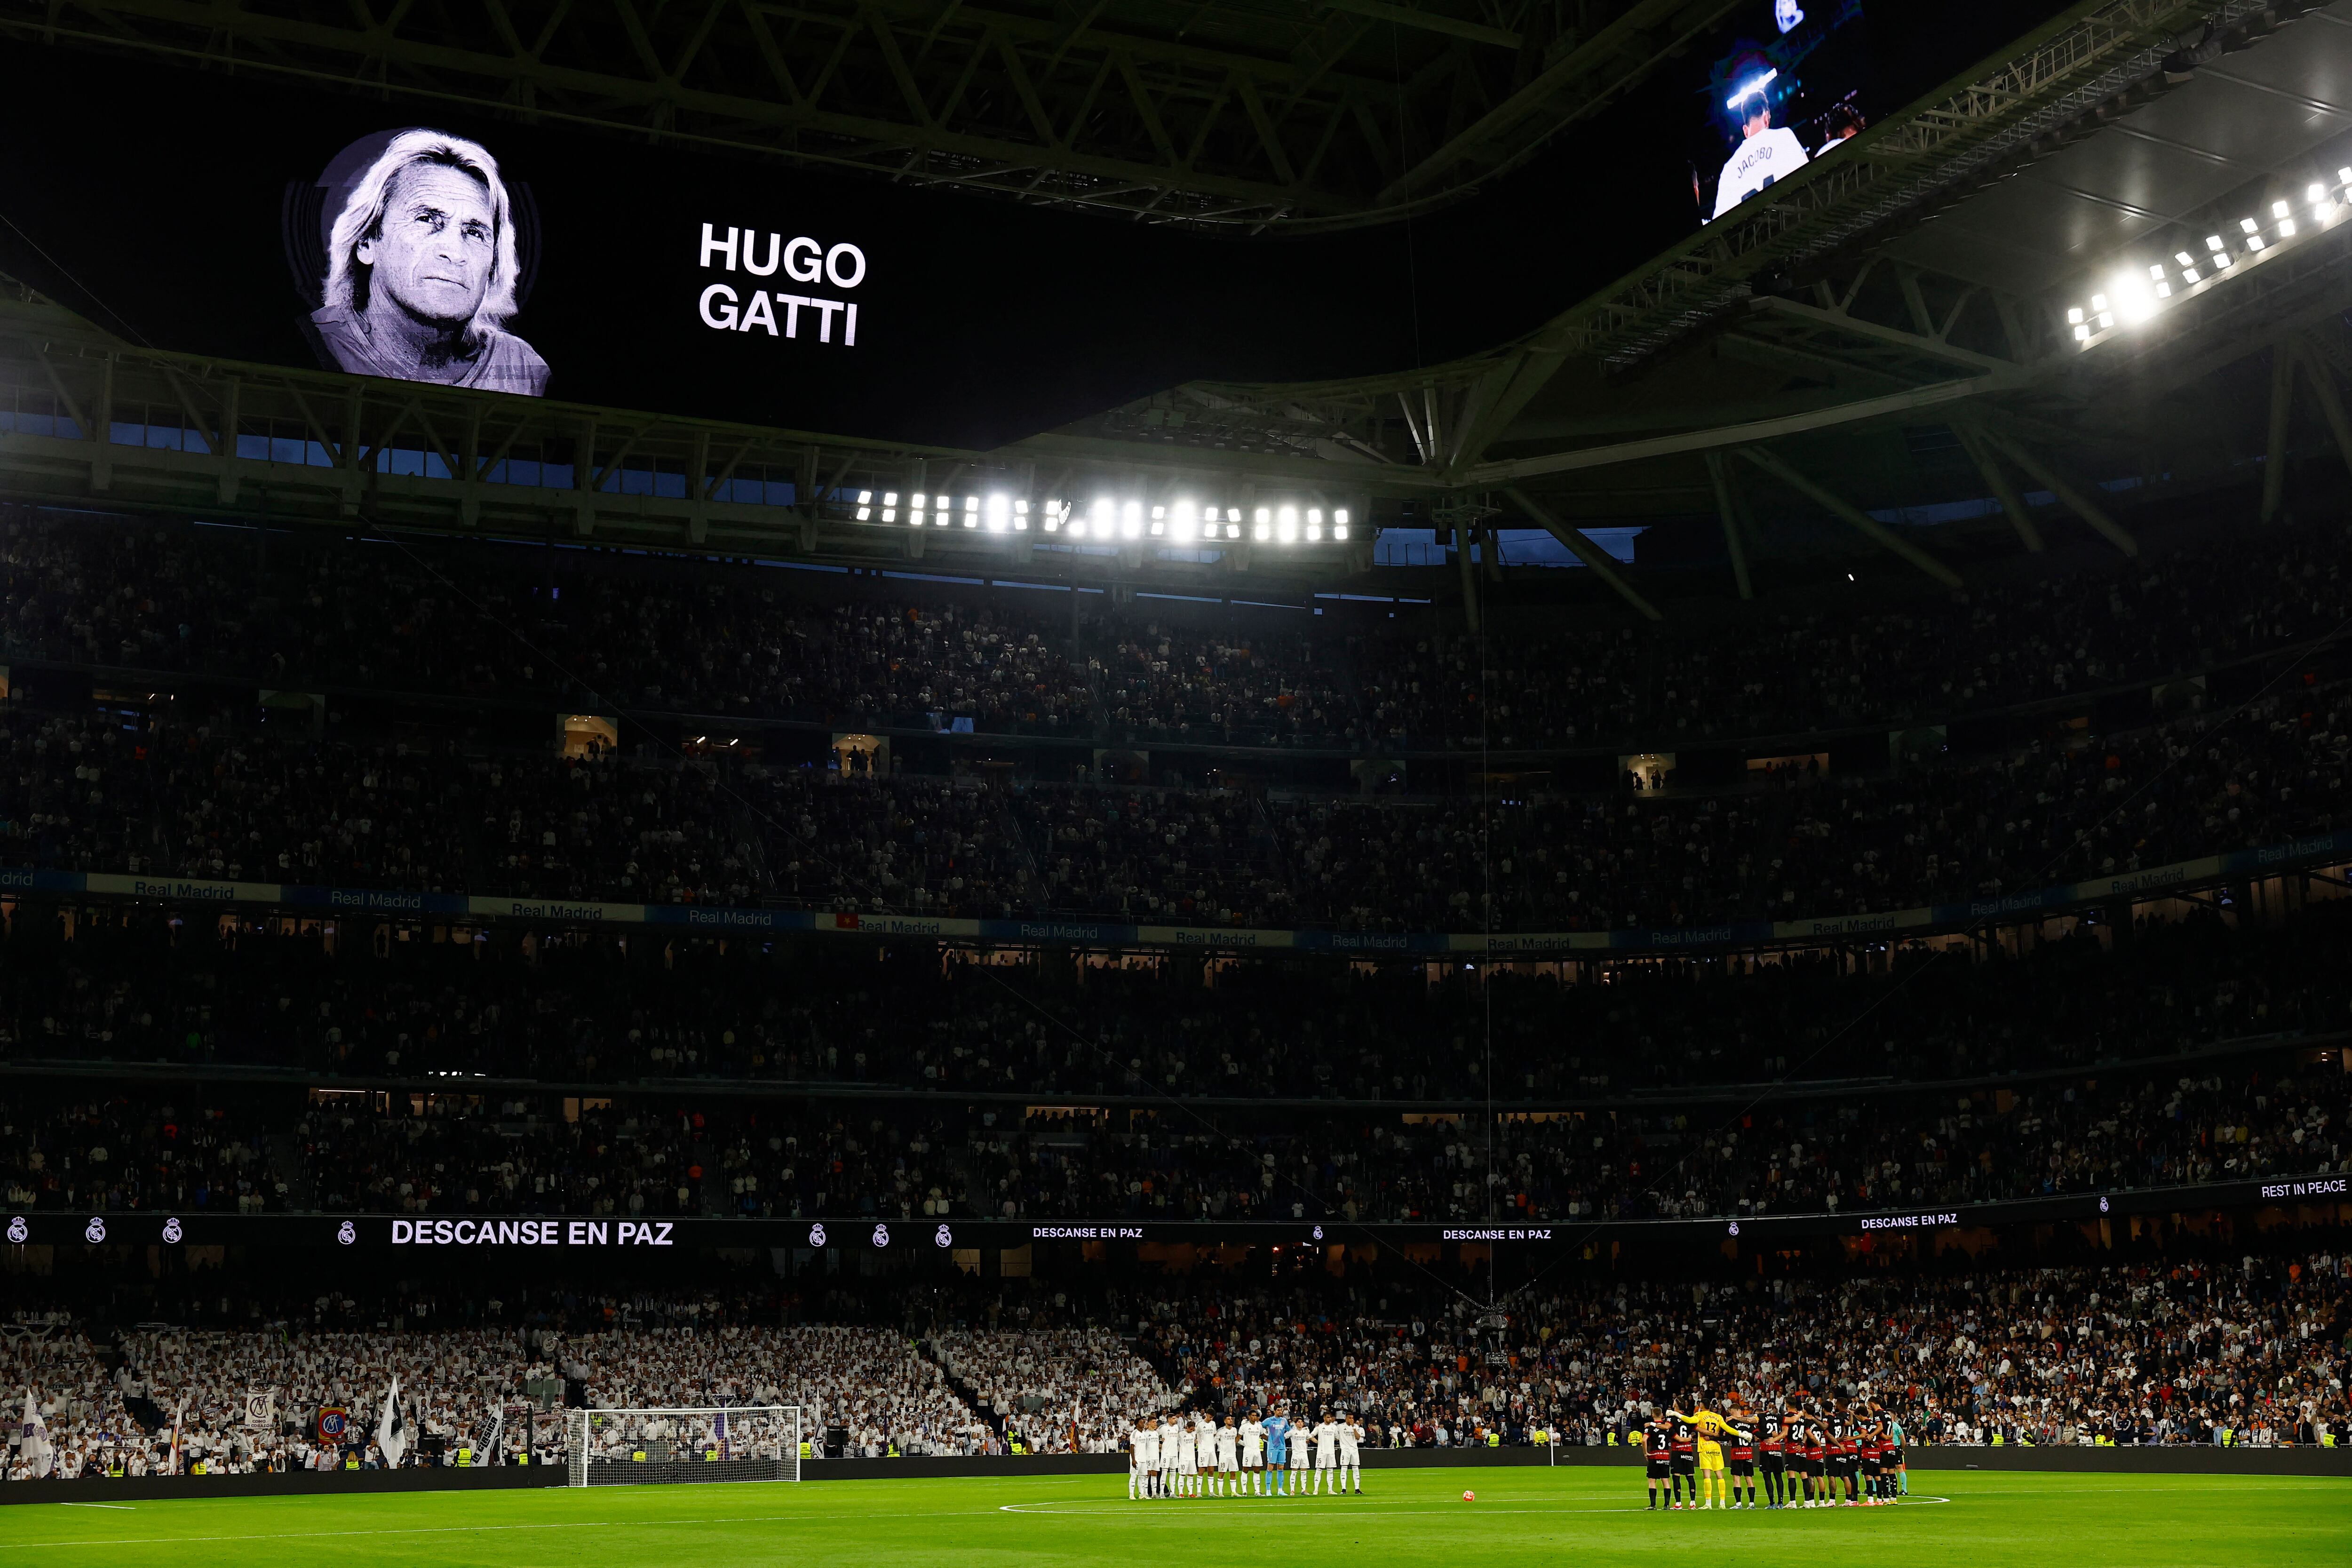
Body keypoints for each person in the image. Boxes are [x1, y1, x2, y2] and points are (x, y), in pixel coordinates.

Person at [310, 129, 550, 395]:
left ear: (493, 265)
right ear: (367, 242)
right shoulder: (316, 343)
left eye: (474, 232)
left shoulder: (522, 368)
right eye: (426, 220)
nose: (454, 252)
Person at [1709, 93, 1810, 220]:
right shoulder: (1784, 137)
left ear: (1745, 130)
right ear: (1767, 117)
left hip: (1753, 237)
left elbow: (1720, 224)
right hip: (1793, 225)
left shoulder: (1729, 169)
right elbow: (1810, 180)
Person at [1756, 1401, 1788, 1509]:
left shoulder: (1760, 1418)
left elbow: (1758, 1434)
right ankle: (1781, 1503)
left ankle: (1772, 1503)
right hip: (1777, 1449)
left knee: (1767, 1476)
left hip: (1766, 1449)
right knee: (1779, 1477)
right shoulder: (1778, 1417)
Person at [1644, 1414, 1673, 1511]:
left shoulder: (1650, 1427)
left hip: (1655, 1456)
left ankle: (1653, 1505)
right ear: (1662, 1416)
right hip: (1665, 1456)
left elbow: (1644, 1440)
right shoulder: (1667, 1427)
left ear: (1652, 1415)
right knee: (1666, 1481)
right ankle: (1667, 1505)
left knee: (1652, 1481)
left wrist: (1646, 1453)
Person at [1263, 1405, 1290, 1496]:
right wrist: (1265, 1437)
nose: (1280, 1412)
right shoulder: (1269, 1420)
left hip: (1282, 1447)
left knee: (1281, 1468)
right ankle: (1268, 1491)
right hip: (1272, 1447)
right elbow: (1260, 1427)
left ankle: (1280, 1491)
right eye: (1278, 1410)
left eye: (1281, 1410)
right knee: (1270, 1468)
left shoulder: (1284, 1421)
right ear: (1274, 1411)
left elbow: (1289, 1430)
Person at [1311, 1410, 1339, 1495]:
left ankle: (1330, 1490)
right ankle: (1316, 1490)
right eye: (1328, 1417)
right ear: (1324, 1418)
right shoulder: (1319, 1427)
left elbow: (1337, 1437)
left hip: (1331, 1452)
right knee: (1319, 1470)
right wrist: (1317, 1442)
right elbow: (1311, 1436)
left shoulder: (1334, 1427)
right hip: (1322, 1452)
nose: (1330, 1419)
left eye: (1330, 1417)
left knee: (1330, 1471)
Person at [1240, 1408, 1267, 1495]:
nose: (1254, 1417)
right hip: (1248, 1450)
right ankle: (1244, 1491)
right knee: (1246, 1469)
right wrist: (1244, 1444)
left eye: (1256, 1416)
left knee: (1257, 1470)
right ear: (1249, 1416)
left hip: (1257, 1450)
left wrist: (1272, 1439)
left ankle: (1257, 1491)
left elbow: (1263, 1435)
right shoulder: (1244, 1426)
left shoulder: (1259, 1426)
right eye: (1253, 1416)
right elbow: (1238, 1437)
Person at [1338, 1411, 1364, 1495]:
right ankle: (1344, 1489)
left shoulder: (1356, 1426)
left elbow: (1358, 1437)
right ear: (1346, 1418)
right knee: (1344, 1469)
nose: (1352, 1420)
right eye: (1350, 1418)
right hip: (1345, 1450)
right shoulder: (1340, 1427)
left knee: (1356, 1469)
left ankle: (1357, 1489)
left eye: (1353, 1418)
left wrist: (1353, 1427)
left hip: (1354, 1450)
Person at [1214, 1415, 1240, 1497]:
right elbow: (1216, 1440)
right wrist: (1220, 1447)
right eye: (1229, 1419)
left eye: (1231, 1419)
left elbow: (1236, 1440)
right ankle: (1220, 1493)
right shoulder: (1221, 1431)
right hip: (1224, 1455)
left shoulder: (1235, 1430)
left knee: (1233, 1473)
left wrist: (1245, 1444)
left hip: (1233, 1455)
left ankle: (1234, 1492)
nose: (1231, 1421)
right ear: (1225, 1421)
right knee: (1222, 1473)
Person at [1288, 1408, 1312, 1495]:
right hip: (1296, 1454)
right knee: (1294, 1472)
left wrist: (1319, 1442)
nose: (1300, 1423)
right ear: (1295, 1424)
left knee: (1304, 1472)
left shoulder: (1305, 1432)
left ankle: (1303, 1490)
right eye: (1299, 1422)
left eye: (1302, 1422)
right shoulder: (1292, 1432)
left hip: (1304, 1454)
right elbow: (1284, 1437)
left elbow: (1311, 1438)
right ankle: (1292, 1490)